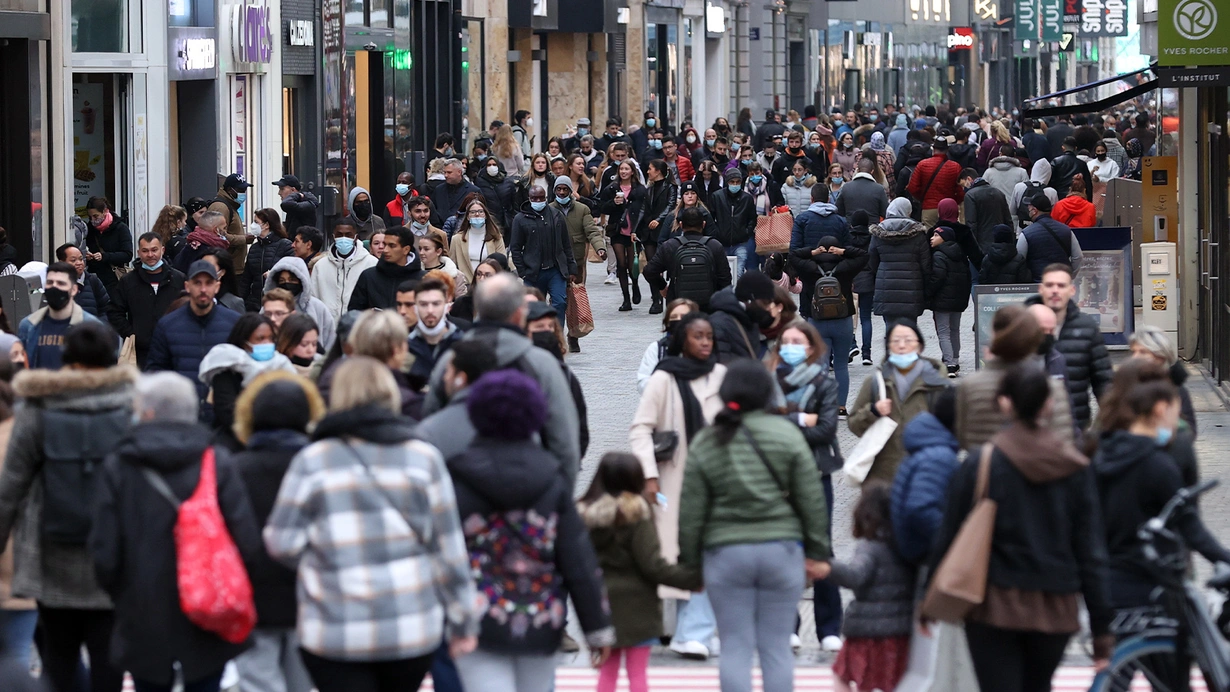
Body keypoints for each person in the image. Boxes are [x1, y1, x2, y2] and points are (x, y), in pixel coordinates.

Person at [264, 356, 479, 692]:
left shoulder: (313, 460)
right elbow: (449, 551)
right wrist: (464, 619)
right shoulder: (423, 458)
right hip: (408, 626)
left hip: (335, 626)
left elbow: (281, 542)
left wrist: (319, 560)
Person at [930, 364, 1112, 692]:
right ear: (1049, 405)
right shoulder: (1074, 467)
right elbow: (1091, 550)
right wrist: (1102, 629)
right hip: (1055, 605)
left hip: (992, 603)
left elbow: (949, 534)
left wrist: (929, 601)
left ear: (1004, 403)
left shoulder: (981, 463)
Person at [89, 371, 261, 692]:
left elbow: (104, 549)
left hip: (141, 606)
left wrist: (120, 593)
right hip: (209, 603)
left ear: (148, 412)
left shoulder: (120, 465)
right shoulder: (216, 460)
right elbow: (246, 540)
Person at [446, 370, 612, 691]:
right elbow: (577, 557)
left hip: (476, 618)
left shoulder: (459, 478)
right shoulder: (552, 480)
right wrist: (597, 627)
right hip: (540, 617)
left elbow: (442, 553)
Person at [677, 359, 831, 691]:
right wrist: (818, 552)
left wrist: (690, 565)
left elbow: (691, 510)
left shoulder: (708, 440)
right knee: (776, 648)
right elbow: (811, 499)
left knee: (735, 646)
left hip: (725, 553)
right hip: (781, 550)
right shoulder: (787, 435)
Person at [0, 322, 136, 692]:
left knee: (59, 658)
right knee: (110, 656)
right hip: (113, 558)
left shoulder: (37, 408)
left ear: (66, 359)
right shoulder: (131, 410)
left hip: (51, 555)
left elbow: (10, 486)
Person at [1091, 368, 1229, 691]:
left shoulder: (1098, 452)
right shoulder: (1158, 464)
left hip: (1111, 580)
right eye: (1174, 409)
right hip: (1155, 582)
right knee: (1171, 677)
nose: (1176, 420)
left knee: (1116, 675)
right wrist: (1222, 556)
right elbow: (1189, 525)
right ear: (1158, 409)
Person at [629, 312, 726, 661]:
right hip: (672, 479)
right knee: (672, 557)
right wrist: (650, 475)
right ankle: (678, 629)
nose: (705, 342)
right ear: (683, 339)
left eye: (709, 337)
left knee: (709, 553)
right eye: (698, 336)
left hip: (715, 483)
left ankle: (696, 630)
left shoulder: (721, 376)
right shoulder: (664, 379)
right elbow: (641, 428)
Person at [421, 273, 581, 482]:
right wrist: (556, 498)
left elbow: (430, 419)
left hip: (460, 486)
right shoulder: (541, 364)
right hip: (527, 482)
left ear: (478, 310)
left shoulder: (451, 360)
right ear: (519, 313)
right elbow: (564, 439)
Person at [228, 372, 323, 692]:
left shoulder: (234, 469)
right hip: (310, 595)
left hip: (250, 596)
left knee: (257, 682)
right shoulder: (319, 467)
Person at [582, 452, 703, 692]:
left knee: (607, 674)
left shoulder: (585, 516)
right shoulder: (637, 514)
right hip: (638, 608)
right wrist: (691, 579)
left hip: (601, 605)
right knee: (637, 675)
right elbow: (653, 566)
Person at [768, 321, 845, 649]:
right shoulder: (769, 382)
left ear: (811, 347)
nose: (790, 347)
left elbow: (827, 428)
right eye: (785, 341)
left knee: (820, 546)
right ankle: (787, 624)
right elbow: (764, 424)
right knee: (783, 546)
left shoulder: (824, 383)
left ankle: (829, 628)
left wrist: (786, 423)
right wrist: (802, 420)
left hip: (816, 473)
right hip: (778, 474)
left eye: (797, 341)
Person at [826, 482, 914, 692]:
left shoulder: (870, 548)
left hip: (866, 630)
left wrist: (827, 566)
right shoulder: (906, 548)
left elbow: (855, 576)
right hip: (900, 629)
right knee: (892, 681)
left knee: (844, 676)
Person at [954, 305, 1076, 449]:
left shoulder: (970, 386)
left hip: (987, 466)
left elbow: (963, 437)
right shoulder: (1052, 386)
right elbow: (1065, 437)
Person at [848, 319, 949, 482]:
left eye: (908, 340)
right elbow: (853, 425)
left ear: (920, 346)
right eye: (895, 341)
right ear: (888, 347)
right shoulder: (875, 383)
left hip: (925, 476)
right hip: (882, 479)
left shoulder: (937, 384)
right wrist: (873, 411)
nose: (902, 346)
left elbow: (954, 429)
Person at [146, 260, 242, 420]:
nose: (203, 289)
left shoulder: (234, 323)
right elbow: (156, 373)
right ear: (187, 286)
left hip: (224, 420)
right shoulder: (168, 325)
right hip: (181, 419)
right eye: (197, 283)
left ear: (217, 286)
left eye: (208, 283)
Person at [1024, 264, 1110, 430]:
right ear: (1041, 289)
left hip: (1074, 426)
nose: (1055, 290)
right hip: (1029, 428)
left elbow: (1103, 379)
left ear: (1072, 290)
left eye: (1061, 285)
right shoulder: (1022, 323)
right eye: (1049, 285)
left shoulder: (1087, 327)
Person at [790, 235, 865, 409]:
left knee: (821, 365)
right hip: (842, 321)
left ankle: (823, 405)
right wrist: (844, 251)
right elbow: (863, 255)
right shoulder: (846, 267)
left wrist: (812, 252)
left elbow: (793, 255)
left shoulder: (809, 267)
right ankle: (841, 407)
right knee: (840, 365)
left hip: (816, 321)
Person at [890, 388, 960, 565]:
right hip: (925, 556)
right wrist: (954, 541)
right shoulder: (940, 457)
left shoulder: (930, 445)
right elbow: (921, 509)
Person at [108, 233, 187, 369]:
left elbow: (188, 309)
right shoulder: (128, 281)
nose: (150, 255)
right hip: (140, 354)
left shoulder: (178, 279)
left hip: (174, 349)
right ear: (139, 253)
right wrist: (132, 333)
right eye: (145, 251)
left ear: (162, 250)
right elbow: (114, 312)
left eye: (154, 250)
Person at [412, 340, 497, 461]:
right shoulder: (510, 424)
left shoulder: (430, 432)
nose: (445, 378)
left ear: (461, 379)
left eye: (448, 371)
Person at [18, 261, 105, 370]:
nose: (54, 287)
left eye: (61, 283)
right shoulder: (29, 325)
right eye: (50, 282)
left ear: (73, 290)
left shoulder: (91, 327)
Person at [509, 186, 578, 319]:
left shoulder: (556, 215)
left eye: (541, 198)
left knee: (560, 303)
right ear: (529, 199)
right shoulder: (520, 219)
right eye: (535, 198)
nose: (538, 201)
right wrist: (522, 272)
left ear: (546, 198)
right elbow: (515, 248)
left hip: (555, 270)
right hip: (533, 272)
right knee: (534, 308)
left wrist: (571, 268)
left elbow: (566, 244)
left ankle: (557, 336)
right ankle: (538, 335)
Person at [868, 197, 932, 327]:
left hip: (886, 286)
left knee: (890, 329)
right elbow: (926, 265)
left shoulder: (878, 233)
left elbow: (872, 261)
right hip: (912, 288)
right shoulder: (918, 234)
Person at [1128, 324, 1197, 434]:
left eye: (1143, 352)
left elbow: (1189, 432)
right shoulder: (1124, 386)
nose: (1135, 357)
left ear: (1160, 356)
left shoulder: (1176, 390)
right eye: (1133, 352)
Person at [599, 159, 649, 310]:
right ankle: (626, 299)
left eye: (627, 169)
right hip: (617, 230)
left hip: (634, 230)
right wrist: (614, 203)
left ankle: (634, 284)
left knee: (631, 264)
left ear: (632, 171)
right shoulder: (611, 188)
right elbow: (602, 206)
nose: (624, 172)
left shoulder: (640, 189)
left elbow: (644, 210)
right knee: (621, 264)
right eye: (621, 169)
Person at [311, 221, 379, 323]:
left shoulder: (371, 264)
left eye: (348, 235)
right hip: (328, 328)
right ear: (333, 237)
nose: (343, 238)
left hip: (359, 329)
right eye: (339, 235)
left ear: (355, 237)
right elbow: (313, 299)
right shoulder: (320, 266)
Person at [263, 256, 336, 350]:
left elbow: (330, 341)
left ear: (301, 280)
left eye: (292, 280)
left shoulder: (318, 307)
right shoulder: (269, 307)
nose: (287, 283)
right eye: (282, 280)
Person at [926, 225, 970, 377]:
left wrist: (928, 293)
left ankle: (949, 363)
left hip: (942, 300)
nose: (932, 238)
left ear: (944, 238)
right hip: (958, 300)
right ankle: (955, 360)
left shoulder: (939, 255)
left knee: (943, 331)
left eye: (936, 235)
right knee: (954, 330)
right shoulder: (960, 254)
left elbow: (937, 278)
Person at [348, 226, 425, 311]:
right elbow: (354, 313)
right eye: (385, 244)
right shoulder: (368, 276)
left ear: (406, 249)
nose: (385, 250)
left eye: (392, 246)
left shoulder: (424, 279)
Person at [707, 271, 777, 363]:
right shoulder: (719, 324)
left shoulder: (749, 316)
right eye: (765, 303)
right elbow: (722, 363)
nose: (768, 308)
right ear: (750, 299)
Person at [407, 277, 462, 384]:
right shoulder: (405, 347)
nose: (430, 310)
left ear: (447, 307)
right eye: (423, 304)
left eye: (436, 304)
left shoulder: (462, 345)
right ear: (415, 308)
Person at [636, 299, 698, 393]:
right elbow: (643, 383)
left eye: (684, 316)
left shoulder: (704, 347)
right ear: (668, 322)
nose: (678, 320)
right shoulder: (657, 349)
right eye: (673, 317)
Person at [1017, 196, 1082, 281]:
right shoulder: (1067, 231)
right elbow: (1078, 257)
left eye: (1029, 207)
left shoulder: (1026, 234)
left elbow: (1019, 261)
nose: (1028, 210)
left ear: (1034, 211)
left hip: (1037, 284)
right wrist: (1070, 276)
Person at [241, 208, 295, 311]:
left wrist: (274, 274)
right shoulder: (254, 248)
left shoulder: (285, 245)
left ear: (266, 225)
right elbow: (246, 279)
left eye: (256, 222)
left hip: (277, 302)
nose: (253, 225)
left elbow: (292, 273)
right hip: (254, 304)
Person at [82, 196, 135, 296]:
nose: (93, 220)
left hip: (114, 280)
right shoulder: (90, 229)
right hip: (94, 279)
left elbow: (127, 254)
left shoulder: (120, 228)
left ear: (105, 211)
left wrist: (104, 256)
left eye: (96, 216)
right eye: (90, 217)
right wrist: (87, 255)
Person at [710, 169, 758, 279]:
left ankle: (736, 295)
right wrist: (716, 233)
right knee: (722, 274)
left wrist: (746, 232)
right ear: (727, 182)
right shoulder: (717, 197)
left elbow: (752, 218)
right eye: (732, 182)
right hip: (721, 242)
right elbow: (711, 218)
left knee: (738, 272)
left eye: (737, 182)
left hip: (740, 242)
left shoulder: (747, 198)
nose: (735, 185)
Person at [449, 198, 508, 285]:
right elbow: (452, 265)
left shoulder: (496, 237)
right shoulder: (457, 239)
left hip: (490, 285)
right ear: (468, 217)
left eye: (480, 211)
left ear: (485, 215)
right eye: (472, 212)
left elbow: (502, 263)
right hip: (466, 285)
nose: (477, 214)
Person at [907, 137, 964, 226]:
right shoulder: (955, 167)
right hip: (948, 208)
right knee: (948, 234)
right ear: (947, 149)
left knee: (930, 236)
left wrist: (923, 198)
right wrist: (953, 201)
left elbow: (912, 187)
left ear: (933, 149)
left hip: (929, 207)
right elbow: (961, 191)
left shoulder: (922, 165)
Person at [207, 174, 254, 272]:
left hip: (233, 267)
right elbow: (216, 237)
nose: (243, 193)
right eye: (240, 190)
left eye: (245, 190)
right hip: (226, 268)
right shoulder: (221, 207)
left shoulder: (231, 205)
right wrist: (243, 239)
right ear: (230, 189)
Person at [56, 243, 111, 319]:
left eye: (81, 259)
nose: (79, 263)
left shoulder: (93, 281)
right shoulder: (55, 284)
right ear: (62, 263)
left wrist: (100, 326)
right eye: (73, 260)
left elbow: (106, 308)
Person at [963, 172, 1013, 253]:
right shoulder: (999, 193)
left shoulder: (970, 195)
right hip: (1002, 243)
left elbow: (971, 223)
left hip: (982, 244)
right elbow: (1008, 220)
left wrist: (971, 247)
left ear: (969, 179)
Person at [836, 158, 888, 222]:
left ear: (857, 170)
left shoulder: (846, 187)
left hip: (850, 228)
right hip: (872, 229)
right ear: (872, 171)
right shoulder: (879, 189)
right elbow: (885, 212)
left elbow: (838, 210)